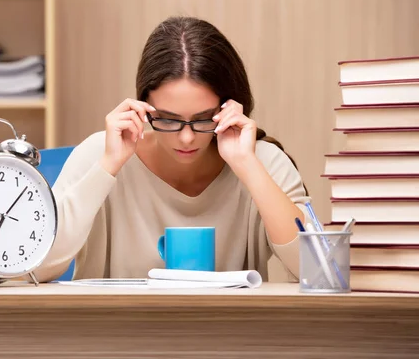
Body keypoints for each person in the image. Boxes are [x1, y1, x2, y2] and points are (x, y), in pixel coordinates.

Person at [33, 16, 311, 283]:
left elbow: (316, 270)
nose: (186, 138)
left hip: (228, 331)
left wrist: (247, 167)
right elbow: (37, 267)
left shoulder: (260, 160)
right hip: (114, 330)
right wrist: (108, 166)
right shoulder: (101, 152)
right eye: (168, 119)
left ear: (228, 108)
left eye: (203, 119)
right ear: (143, 107)